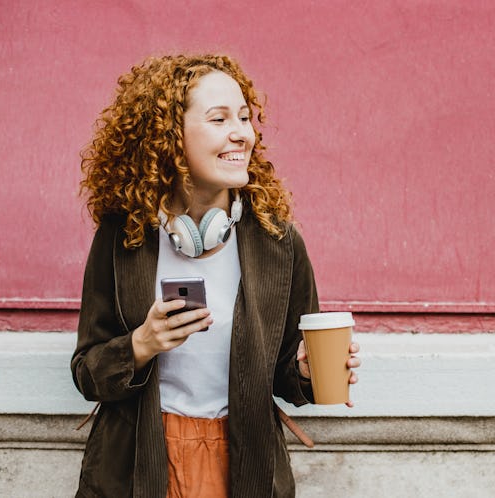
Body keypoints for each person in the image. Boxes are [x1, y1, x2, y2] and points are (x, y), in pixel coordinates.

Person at [70, 54, 361, 498]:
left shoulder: (277, 243)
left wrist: (305, 371)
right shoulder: (122, 237)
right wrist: (141, 345)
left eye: (245, 117)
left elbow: (288, 375)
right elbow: (87, 374)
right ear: (168, 136)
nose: (241, 133)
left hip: (244, 463)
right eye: (219, 118)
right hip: (136, 466)